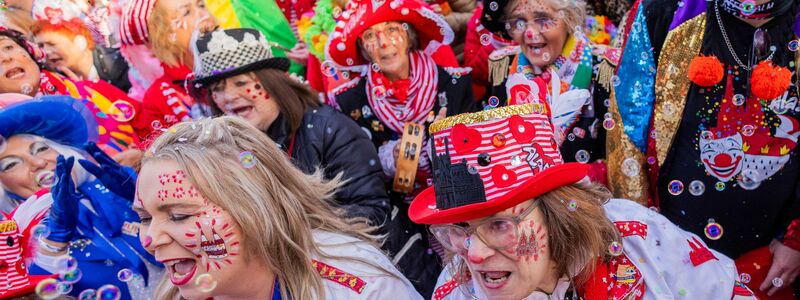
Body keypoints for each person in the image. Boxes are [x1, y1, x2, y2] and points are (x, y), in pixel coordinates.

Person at [408, 104, 757, 299]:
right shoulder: (456, 293)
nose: (473, 254)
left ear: (556, 213)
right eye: (458, 230)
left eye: (498, 224)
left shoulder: (637, 239)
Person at [191, 27, 440, 297]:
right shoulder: (228, 152)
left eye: (241, 83)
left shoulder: (326, 129)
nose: (228, 97)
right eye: (217, 89)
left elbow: (371, 212)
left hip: (375, 277)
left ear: (273, 82)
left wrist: (286, 234)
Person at [608, 0, 799, 297]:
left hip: (778, 260)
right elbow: (627, 132)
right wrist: (642, 244)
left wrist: (796, 239)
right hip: (674, 255)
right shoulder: (663, 11)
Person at [135, 116, 422, 299]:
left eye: (179, 215)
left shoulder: (359, 290)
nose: (150, 240)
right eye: (145, 217)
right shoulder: (174, 293)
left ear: (253, 208)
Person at [0, 95, 162, 299]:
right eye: (12, 164)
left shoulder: (115, 189)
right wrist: (53, 243)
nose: (38, 163)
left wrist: (144, 199)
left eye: (41, 148)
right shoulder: (13, 246)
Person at [328, 0, 475, 191]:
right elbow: (355, 173)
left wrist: (446, 142)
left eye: (391, 30)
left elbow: (475, 154)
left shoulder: (456, 84)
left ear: (408, 35)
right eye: (370, 35)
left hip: (456, 198)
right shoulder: (350, 101)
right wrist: (388, 159)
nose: (383, 43)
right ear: (363, 49)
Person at [480, 0, 619, 181]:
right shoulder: (504, 65)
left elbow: (618, 161)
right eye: (519, 22)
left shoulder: (603, 69)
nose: (530, 33)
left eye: (543, 20)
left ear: (569, 20)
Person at [0, 27, 145, 164]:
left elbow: (156, 134)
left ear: (32, 54)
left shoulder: (95, 90)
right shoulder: (5, 138)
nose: (5, 58)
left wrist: (143, 155)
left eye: (8, 47)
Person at [118, 0, 216, 138]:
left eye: (201, 5)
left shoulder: (241, 54)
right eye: (186, 12)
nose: (203, 15)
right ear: (167, 36)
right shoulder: (157, 100)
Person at [31, 0, 132, 92]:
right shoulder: (58, 83)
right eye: (41, 46)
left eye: (52, 44)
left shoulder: (119, 63)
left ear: (80, 41)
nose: (46, 52)